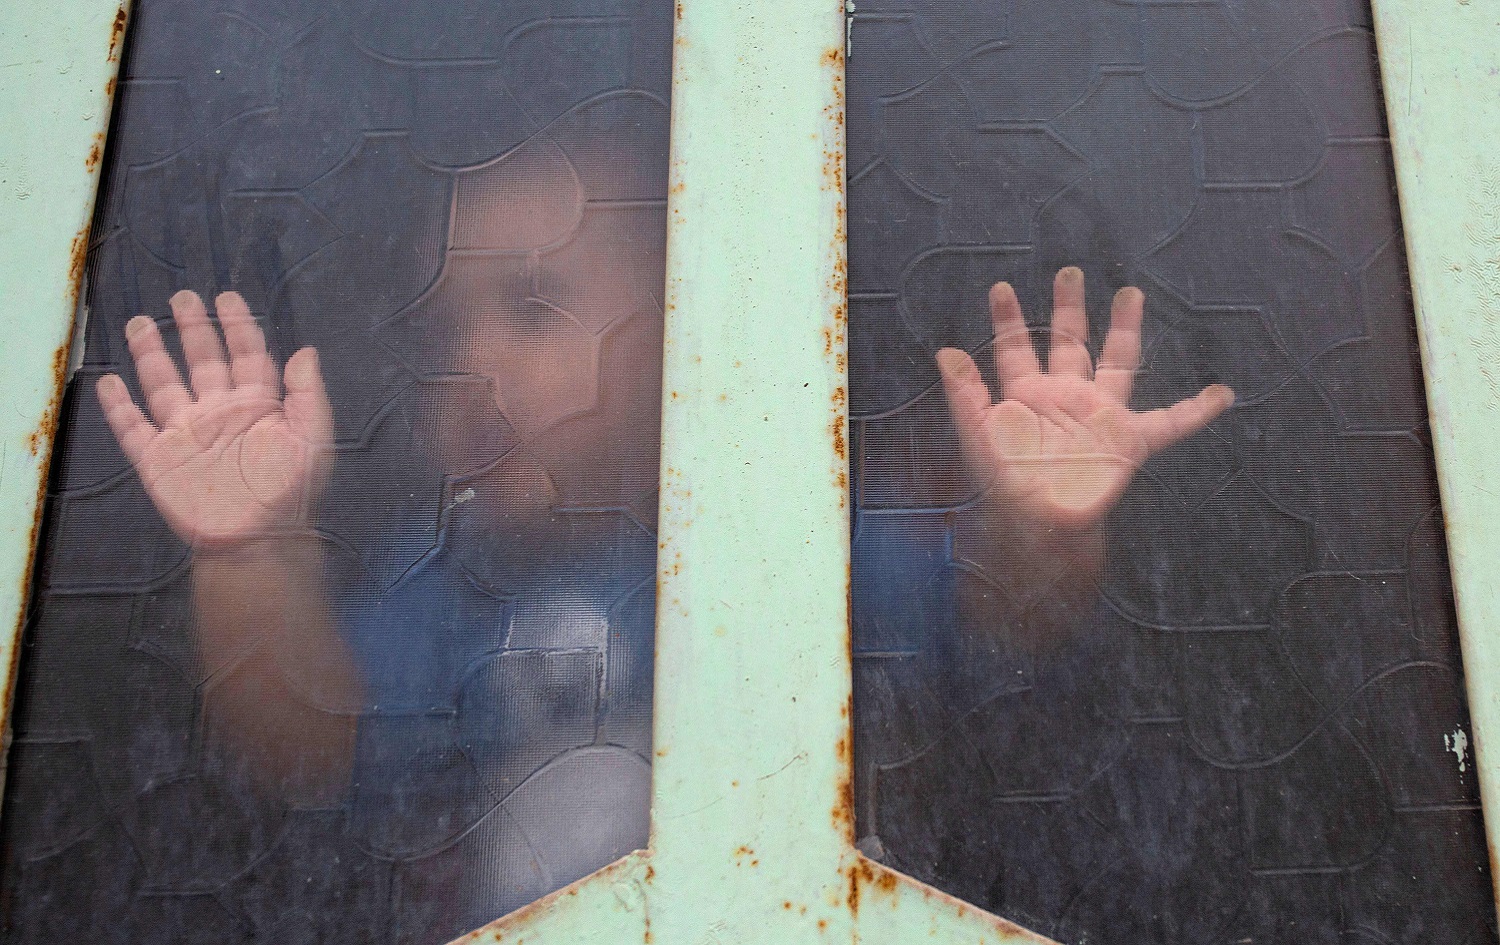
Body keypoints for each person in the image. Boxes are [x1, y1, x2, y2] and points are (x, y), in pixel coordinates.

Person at [95, 161, 1230, 927]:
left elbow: (1002, 625)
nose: (470, 361)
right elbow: (304, 746)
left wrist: (1039, 524)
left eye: (532, 310)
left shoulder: (777, 534)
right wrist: (250, 552)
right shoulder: (447, 586)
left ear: (692, 332)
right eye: (445, 327)